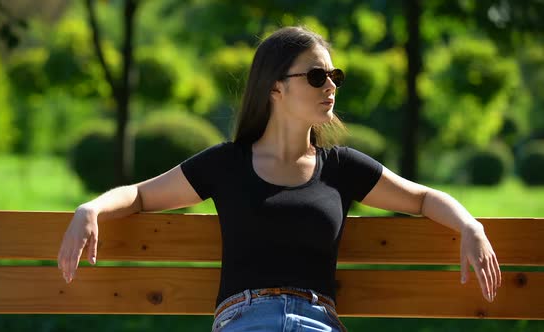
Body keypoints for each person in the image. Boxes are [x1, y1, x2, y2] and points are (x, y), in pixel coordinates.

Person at [57, 26, 501, 332]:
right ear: (275, 88)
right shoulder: (226, 165)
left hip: (317, 321)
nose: (330, 86)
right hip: (244, 320)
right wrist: (89, 208)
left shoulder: (343, 168)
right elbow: (138, 194)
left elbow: (422, 197)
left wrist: (470, 225)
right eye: (315, 75)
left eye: (334, 76)